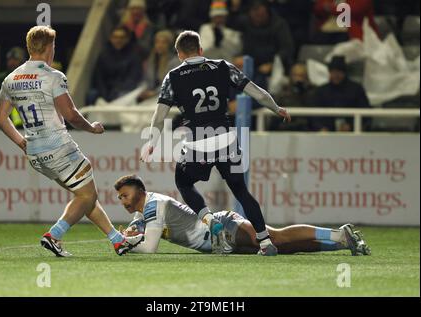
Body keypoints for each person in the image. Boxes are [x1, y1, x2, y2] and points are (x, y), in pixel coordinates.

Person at [0, 25, 143, 257]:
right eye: (53, 45)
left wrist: (22, 142)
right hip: (58, 146)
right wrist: (92, 128)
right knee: (87, 195)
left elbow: (0, 119)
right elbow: (71, 115)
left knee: (83, 196)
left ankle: (117, 240)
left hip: (35, 153)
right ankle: (54, 235)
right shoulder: (53, 77)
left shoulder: (11, 79)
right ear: (48, 47)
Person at [140, 30, 291, 256]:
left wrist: (151, 142)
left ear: (179, 54)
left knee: (183, 183)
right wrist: (276, 108)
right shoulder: (223, 66)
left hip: (198, 142)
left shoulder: (173, 76)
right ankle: (265, 242)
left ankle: (209, 220)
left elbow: (159, 116)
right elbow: (257, 94)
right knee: (241, 191)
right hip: (225, 138)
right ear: (201, 50)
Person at [114, 175, 371, 255]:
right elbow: (137, 232)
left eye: (125, 195)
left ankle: (338, 233)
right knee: (284, 249)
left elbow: (148, 248)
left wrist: (126, 244)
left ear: (140, 191)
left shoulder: (153, 205)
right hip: (221, 243)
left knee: (276, 238)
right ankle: (342, 243)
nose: (123, 201)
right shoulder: (144, 213)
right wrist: (130, 237)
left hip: (224, 228)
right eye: (120, 198)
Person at [310, 55, 371, 132]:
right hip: (325, 135)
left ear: (344, 72)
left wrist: (351, 126)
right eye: (333, 72)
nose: (336, 75)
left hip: (352, 135)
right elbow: (314, 115)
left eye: (339, 72)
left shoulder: (356, 90)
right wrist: (321, 128)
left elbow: (365, 113)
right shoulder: (321, 91)